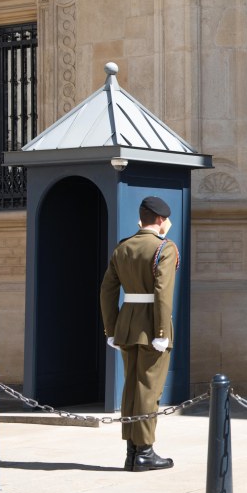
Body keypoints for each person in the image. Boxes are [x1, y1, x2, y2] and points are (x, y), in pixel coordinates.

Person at [100, 195, 179, 472]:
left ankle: (131, 451)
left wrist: (111, 328)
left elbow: (107, 291)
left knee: (131, 388)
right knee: (148, 388)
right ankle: (144, 451)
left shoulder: (123, 247)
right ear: (160, 220)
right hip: (151, 327)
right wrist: (161, 331)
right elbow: (162, 293)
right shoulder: (165, 248)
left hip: (127, 324)